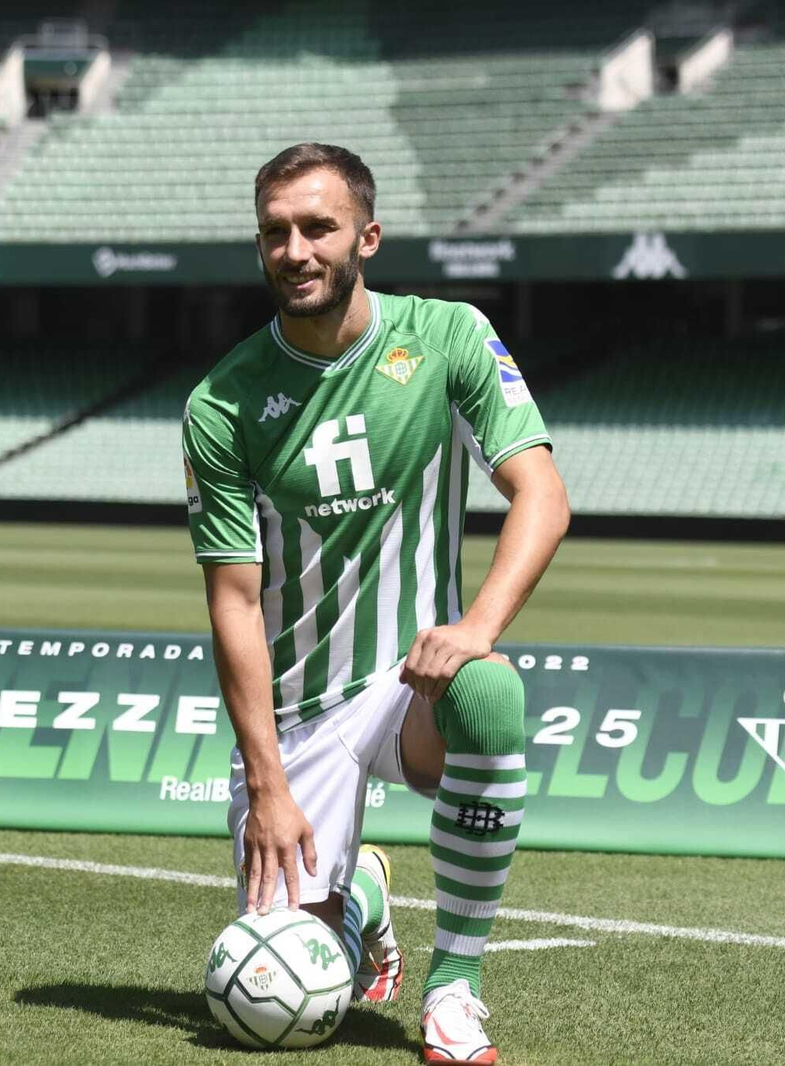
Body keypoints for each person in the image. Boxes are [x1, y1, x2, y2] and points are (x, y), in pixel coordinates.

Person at [182, 142, 569, 1066]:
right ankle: (356, 904)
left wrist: (473, 630)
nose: (296, 250)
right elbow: (234, 604)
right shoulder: (221, 404)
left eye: (318, 227)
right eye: (275, 233)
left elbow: (542, 496)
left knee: (493, 689)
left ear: (368, 236)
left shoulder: (449, 337)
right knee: (295, 987)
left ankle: (455, 988)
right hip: (298, 711)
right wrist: (268, 784)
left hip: (410, 683)